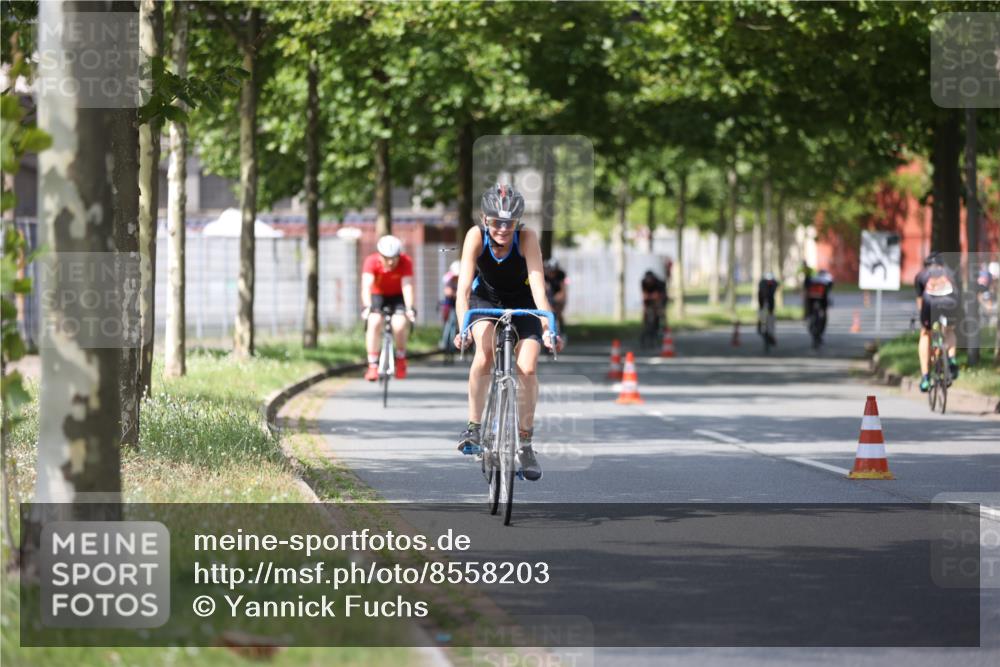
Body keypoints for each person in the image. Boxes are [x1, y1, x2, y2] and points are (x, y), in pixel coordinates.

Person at [454, 184, 561, 481]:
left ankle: (525, 443)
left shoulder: (527, 238)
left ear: (518, 222)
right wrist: (463, 328)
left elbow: (539, 289)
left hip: (524, 304)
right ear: (485, 219)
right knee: (485, 353)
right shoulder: (475, 236)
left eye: (509, 223)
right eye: (496, 221)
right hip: (485, 303)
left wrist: (548, 328)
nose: (503, 228)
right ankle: (474, 428)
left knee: (527, 368)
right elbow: (463, 290)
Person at [361, 235, 415, 381]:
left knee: (399, 324)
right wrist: (367, 307)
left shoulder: (405, 262)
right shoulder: (371, 261)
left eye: (394, 258)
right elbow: (366, 286)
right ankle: (372, 365)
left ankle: (401, 359)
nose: (391, 262)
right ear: (380, 255)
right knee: (374, 321)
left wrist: (409, 308)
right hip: (378, 295)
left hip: (398, 296)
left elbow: (407, 286)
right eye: (387, 258)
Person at [915, 251, 961, 392]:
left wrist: (924, 323)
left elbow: (920, 302)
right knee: (949, 330)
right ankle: (951, 359)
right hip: (951, 301)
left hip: (930, 301)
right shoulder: (950, 272)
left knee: (925, 333)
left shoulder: (922, 274)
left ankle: (925, 377)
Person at [803, 269, 834, 343]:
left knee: (810, 310)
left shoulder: (813, 278)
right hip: (822, 298)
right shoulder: (827, 278)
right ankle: (817, 326)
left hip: (811, 298)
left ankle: (808, 318)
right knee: (823, 313)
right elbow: (830, 288)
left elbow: (806, 286)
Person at [544, 258, 569, 333]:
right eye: (550, 271)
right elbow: (545, 289)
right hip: (550, 296)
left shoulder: (561, 275)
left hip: (558, 296)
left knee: (558, 315)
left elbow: (563, 291)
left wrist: (558, 300)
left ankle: (561, 331)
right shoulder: (545, 276)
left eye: (554, 272)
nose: (552, 274)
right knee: (550, 313)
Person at [440, 260, 460, 351]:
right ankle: (444, 341)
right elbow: (447, 291)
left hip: (459, 301)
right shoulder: (448, 278)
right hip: (450, 302)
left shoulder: (464, 278)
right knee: (447, 316)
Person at [641, 269, 668, 334]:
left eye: (650, 279)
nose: (648, 280)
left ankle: (664, 325)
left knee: (660, 309)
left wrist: (655, 297)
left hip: (661, 296)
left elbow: (659, 295)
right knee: (646, 309)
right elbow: (644, 294)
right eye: (647, 279)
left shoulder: (659, 283)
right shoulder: (643, 282)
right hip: (650, 296)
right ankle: (645, 325)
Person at [757, 272, 779, 345]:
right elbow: (760, 297)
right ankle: (760, 325)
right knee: (761, 313)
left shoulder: (774, 284)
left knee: (771, 316)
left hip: (770, 300)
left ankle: (771, 334)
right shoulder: (762, 284)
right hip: (762, 300)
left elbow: (773, 293)